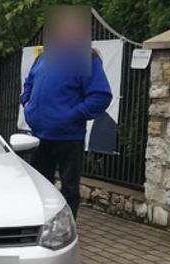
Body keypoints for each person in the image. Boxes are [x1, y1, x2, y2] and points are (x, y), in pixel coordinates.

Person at [20, 15, 113, 218]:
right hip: (39, 136)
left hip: (68, 138)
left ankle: (66, 231)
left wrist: (71, 115)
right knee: (40, 189)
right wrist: (26, 102)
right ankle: (41, 224)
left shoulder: (86, 58)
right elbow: (29, 82)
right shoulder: (44, 57)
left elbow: (101, 96)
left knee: (69, 190)